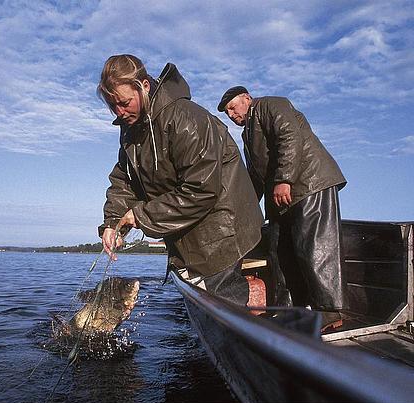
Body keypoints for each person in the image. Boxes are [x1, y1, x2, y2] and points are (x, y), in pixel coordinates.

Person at [96, 54, 264, 307]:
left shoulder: (187, 119)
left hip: (224, 230)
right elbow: (124, 179)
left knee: (226, 303)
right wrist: (112, 222)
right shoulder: (133, 130)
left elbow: (202, 190)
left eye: (124, 102)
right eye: (112, 106)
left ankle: (268, 320)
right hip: (190, 235)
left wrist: (140, 216)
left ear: (144, 86)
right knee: (210, 302)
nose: (119, 112)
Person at [218, 86, 347, 330]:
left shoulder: (270, 105)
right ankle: (287, 308)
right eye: (227, 113)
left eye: (233, 108)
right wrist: (239, 210)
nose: (231, 115)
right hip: (282, 195)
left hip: (309, 183)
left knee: (315, 246)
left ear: (247, 98)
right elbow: (255, 178)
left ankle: (329, 311)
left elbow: (289, 135)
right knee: (278, 249)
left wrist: (283, 179)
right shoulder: (248, 134)